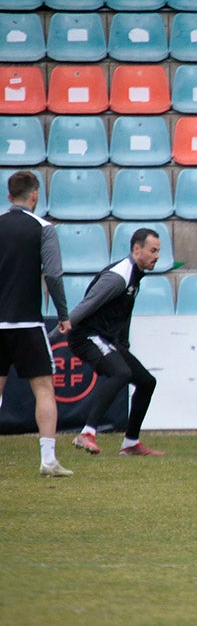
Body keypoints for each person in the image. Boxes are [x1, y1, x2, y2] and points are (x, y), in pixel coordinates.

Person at [65, 227, 164, 457]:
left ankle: (130, 444)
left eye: (158, 251)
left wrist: (123, 343)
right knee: (121, 373)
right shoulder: (118, 276)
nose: (157, 256)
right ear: (137, 249)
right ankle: (86, 434)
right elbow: (86, 306)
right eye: (153, 250)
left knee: (147, 382)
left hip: (106, 338)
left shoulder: (135, 275)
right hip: (86, 335)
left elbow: (124, 312)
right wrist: (54, 335)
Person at [0, 171, 73, 477]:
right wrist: (64, 314)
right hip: (29, 323)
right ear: (34, 196)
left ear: (8, 197)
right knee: (44, 389)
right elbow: (54, 274)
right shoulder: (44, 229)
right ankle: (48, 459)